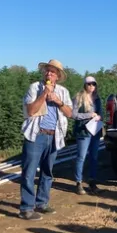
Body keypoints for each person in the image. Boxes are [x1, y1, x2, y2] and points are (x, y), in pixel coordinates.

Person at [19, 59, 73, 220]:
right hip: (37, 134)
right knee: (29, 172)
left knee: (47, 172)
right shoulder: (35, 88)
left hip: (54, 135)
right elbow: (30, 110)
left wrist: (58, 100)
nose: (49, 73)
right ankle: (26, 208)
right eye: (47, 71)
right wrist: (44, 94)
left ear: (58, 76)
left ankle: (42, 203)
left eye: (53, 72)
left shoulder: (63, 92)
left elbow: (70, 113)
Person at [73, 76, 103, 195]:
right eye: (89, 84)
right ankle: (78, 182)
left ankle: (92, 182)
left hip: (95, 131)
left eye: (93, 84)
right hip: (83, 131)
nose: (91, 86)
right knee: (81, 157)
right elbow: (73, 114)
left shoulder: (98, 99)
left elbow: (101, 113)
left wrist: (99, 117)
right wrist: (88, 115)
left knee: (94, 157)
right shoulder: (78, 98)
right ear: (85, 85)